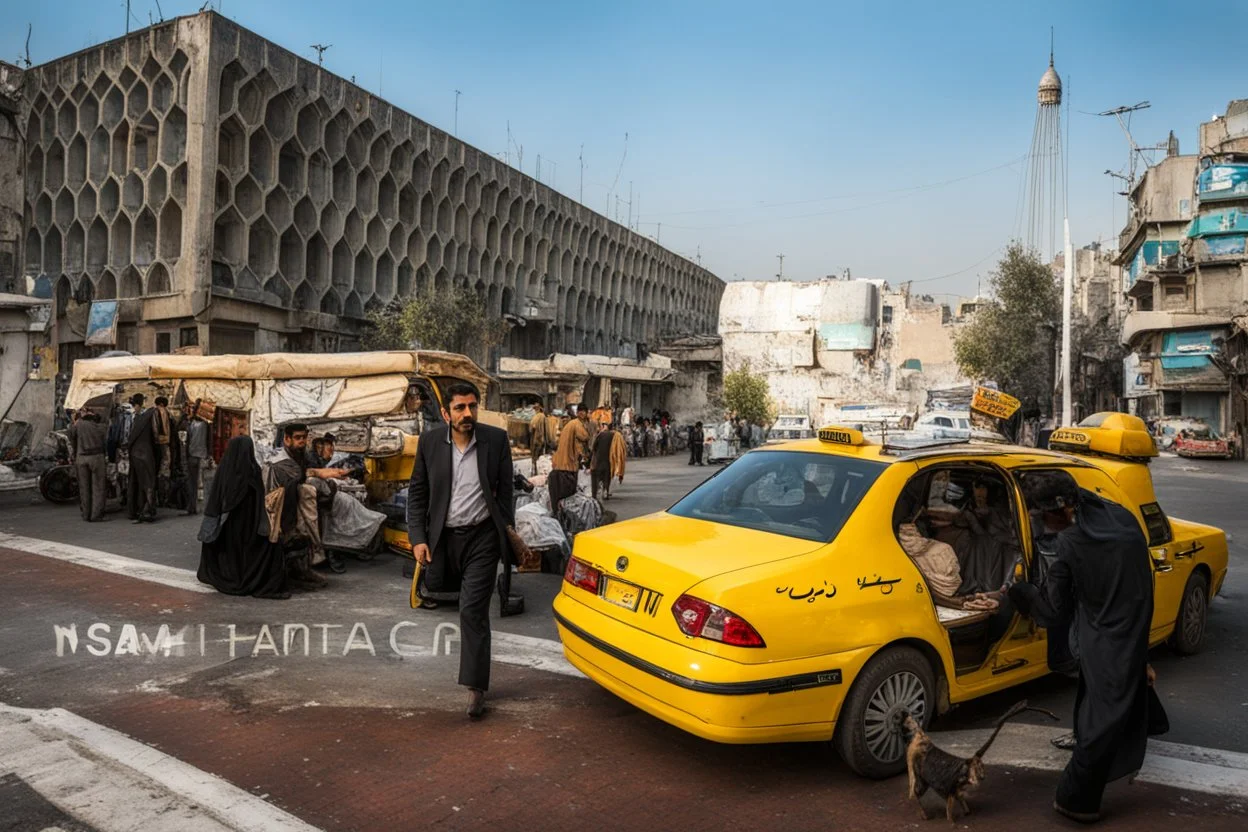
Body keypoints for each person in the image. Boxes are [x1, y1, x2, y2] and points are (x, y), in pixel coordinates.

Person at [1009, 474, 1161, 823]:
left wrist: (1022, 594)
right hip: (1134, 625)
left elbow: (1052, 611)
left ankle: (1077, 800)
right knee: (1110, 698)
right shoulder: (1120, 516)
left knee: (1102, 721)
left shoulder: (1071, 545)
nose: (1041, 524)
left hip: (1104, 636)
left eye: (1041, 516)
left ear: (1061, 509)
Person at [406, 382, 514, 719]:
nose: (467, 414)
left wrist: (504, 532)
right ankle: (475, 682)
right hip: (444, 537)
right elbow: (418, 493)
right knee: (437, 591)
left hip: (483, 538)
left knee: (472, 609)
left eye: (472, 406)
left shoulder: (495, 440)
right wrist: (417, 537)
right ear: (446, 413)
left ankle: (475, 688)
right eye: (460, 408)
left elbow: (507, 491)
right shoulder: (429, 443)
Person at [197, 435, 289, 599]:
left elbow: (217, 505)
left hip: (227, 534)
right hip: (250, 533)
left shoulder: (225, 471)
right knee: (272, 548)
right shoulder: (252, 472)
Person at [264, 423, 352, 580]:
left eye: (304, 438)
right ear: (286, 439)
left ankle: (307, 563)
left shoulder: (300, 456)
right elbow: (299, 474)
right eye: (298, 438)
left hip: (292, 505)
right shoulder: (280, 461)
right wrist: (323, 473)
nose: (302, 442)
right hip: (277, 509)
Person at [123, 393, 159, 523]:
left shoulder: (132, 417)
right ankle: (147, 510)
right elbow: (156, 436)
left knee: (136, 483)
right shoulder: (148, 416)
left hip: (134, 454)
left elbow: (125, 437)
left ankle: (137, 511)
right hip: (145, 454)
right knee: (148, 483)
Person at [68, 408, 108, 522]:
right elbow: (107, 441)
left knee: (84, 488)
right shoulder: (102, 427)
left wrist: (73, 420)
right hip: (97, 458)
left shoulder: (79, 424)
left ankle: (86, 514)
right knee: (98, 488)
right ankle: (96, 515)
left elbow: (71, 435)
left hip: (81, 458)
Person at [549, 405, 590, 513]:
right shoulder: (577, 424)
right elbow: (584, 437)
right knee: (568, 501)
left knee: (558, 502)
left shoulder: (569, 425)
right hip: (568, 468)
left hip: (559, 466)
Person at [181, 400, 211, 516]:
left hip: (193, 455)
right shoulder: (205, 425)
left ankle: (192, 507)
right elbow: (209, 441)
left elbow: (186, 441)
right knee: (202, 483)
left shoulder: (191, 424)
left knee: (193, 483)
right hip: (202, 455)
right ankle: (202, 507)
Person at [589, 422, 621, 500]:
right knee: (607, 476)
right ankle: (605, 491)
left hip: (599, 459)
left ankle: (595, 494)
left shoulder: (600, 435)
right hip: (609, 459)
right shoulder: (615, 435)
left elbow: (593, 447)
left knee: (597, 476)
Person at [528, 402, 547, 476]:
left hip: (538, 439)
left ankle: (537, 474)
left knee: (537, 458)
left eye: (536, 408)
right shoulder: (538, 416)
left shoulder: (539, 416)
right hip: (538, 439)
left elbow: (533, 427)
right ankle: (536, 473)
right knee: (536, 458)